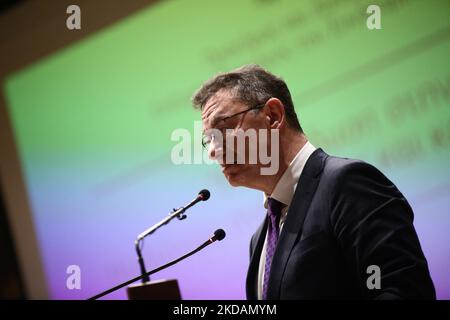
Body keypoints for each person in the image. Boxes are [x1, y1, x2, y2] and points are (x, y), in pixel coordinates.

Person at [191, 64, 435, 299]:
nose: (212, 150)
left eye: (223, 129)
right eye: (208, 139)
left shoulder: (347, 184)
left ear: (273, 116)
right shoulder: (259, 240)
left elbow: (403, 290)